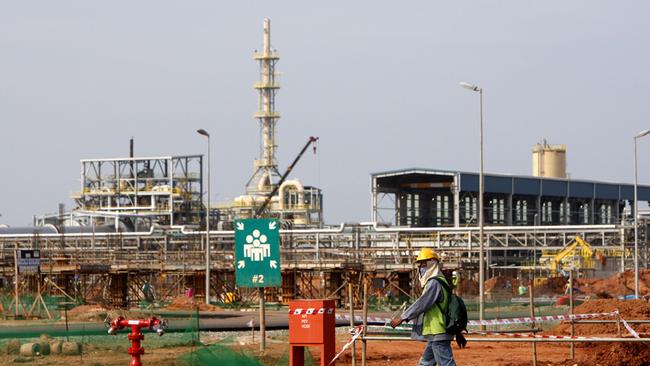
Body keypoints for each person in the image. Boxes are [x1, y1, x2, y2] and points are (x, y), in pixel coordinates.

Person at [390, 248, 464, 366]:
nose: (421, 267)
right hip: (435, 334)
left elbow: (422, 303)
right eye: (420, 264)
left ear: (432, 263)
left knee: (446, 363)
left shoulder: (434, 283)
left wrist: (403, 318)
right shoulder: (441, 281)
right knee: (425, 363)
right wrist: (458, 332)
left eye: (424, 264)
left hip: (438, 332)